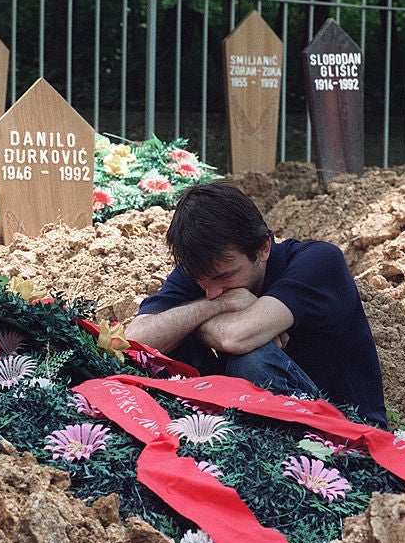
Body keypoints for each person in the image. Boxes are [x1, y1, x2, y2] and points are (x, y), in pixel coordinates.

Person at [125, 180, 388, 428]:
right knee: (168, 347)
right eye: (201, 281)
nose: (213, 291)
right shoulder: (208, 269)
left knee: (250, 360)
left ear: (263, 248)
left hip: (347, 432)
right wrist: (224, 304)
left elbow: (236, 339)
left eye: (225, 277)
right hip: (249, 426)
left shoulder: (319, 262)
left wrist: (196, 327)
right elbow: (135, 339)